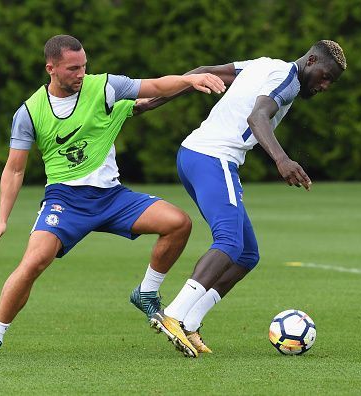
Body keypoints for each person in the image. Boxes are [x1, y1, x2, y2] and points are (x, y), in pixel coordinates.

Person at [0, 34, 226, 358]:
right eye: (72, 69)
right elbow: (14, 170)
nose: (81, 74)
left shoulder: (105, 87)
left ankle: (146, 292)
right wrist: (1, 220)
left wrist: (191, 79)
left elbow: (155, 87)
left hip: (112, 197)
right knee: (33, 262)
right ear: (50, 68)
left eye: (84, 66)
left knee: (178, 223)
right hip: (65, 201)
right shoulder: (30, 112)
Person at [136, 40, 346, 357]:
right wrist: (282, 160)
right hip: (213, 158)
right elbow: (257, 118)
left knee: (246, 254)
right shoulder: (287, 80)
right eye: (325, 76)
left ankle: (190, 323)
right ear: (312, 60)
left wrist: (155, 102)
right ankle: (174, 315)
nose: (325, 86)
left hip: (193, 156)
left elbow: (205, 74)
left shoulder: (264, 64)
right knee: (229, 242)